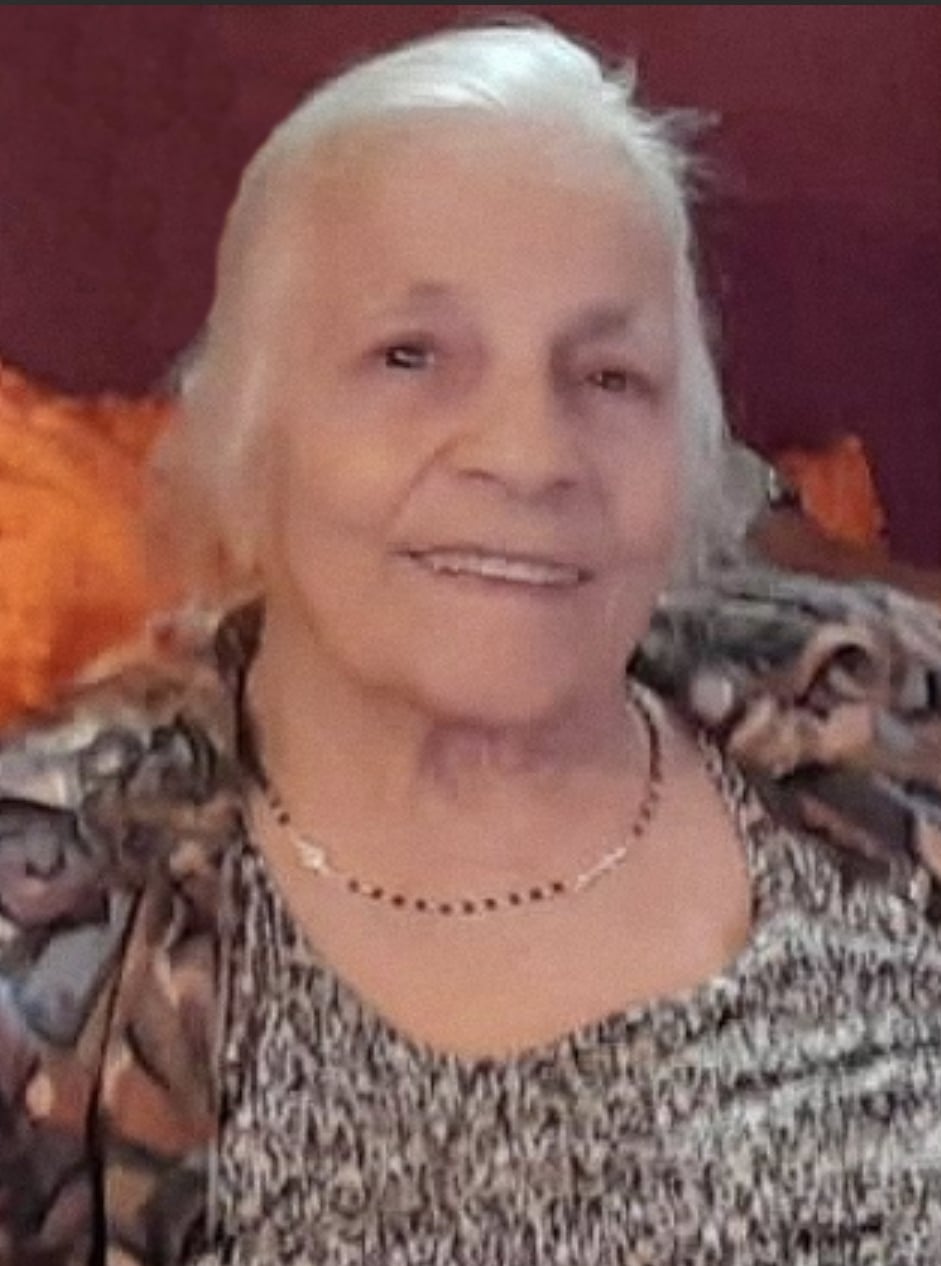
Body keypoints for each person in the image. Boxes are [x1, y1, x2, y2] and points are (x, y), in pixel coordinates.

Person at [2, 20, 940, 1266]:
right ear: (248, 427)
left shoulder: (873, 708)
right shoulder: (51, 911)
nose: (530, 455)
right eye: (410, 356)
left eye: (607, 376)